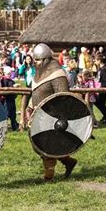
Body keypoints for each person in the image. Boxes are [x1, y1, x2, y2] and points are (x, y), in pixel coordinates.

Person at [29, 43, 78, 181]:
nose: (35, 62)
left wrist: (59, 117)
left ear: (46, 59)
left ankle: (48, 177)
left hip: (53, 117)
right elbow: (35, 93)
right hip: (40, 115)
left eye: (38, 60)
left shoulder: (57, 74)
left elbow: (63, 97)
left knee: (44, 146)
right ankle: (68, 161)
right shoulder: (38, 75)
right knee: (37, 145)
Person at [94, 54, 106, 124]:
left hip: (103, 90)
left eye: (95, 60)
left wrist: (100, 86)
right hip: (101, 89)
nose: (94, 61)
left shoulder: (104, 70)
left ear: (99, 60)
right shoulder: (101, 69)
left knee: (98, 102)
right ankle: (105, 117)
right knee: (102, 103)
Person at [0, 66, 18, 131]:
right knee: (6, 114)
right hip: (6, 100)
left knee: (13, 114)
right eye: (8, 73)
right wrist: (13, 87)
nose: (9, 75)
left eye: (10, 73)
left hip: (11, 99)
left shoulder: (11, 81)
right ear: (4, 73)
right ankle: (4, 128)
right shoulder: (3, 80)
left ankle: (14, 127)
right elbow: (5, 89)